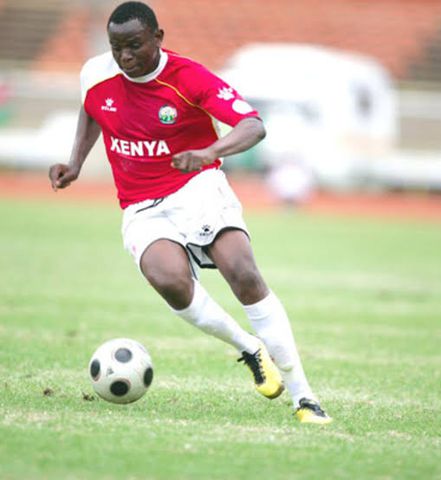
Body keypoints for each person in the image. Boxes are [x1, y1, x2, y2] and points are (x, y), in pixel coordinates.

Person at [48, 1, 331, 425]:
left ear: (158, 38)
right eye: (116, 47)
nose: (125, 56)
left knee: (243, 273)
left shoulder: (188, 78)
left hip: (196, 187)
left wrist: (209, 152)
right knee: (169, 281)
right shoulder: (95, 72)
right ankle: (248, 348)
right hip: (140, 204)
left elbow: (253, 125)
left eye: (134, 45)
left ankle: (304, 397)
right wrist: (75, 162)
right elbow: (92, 109)